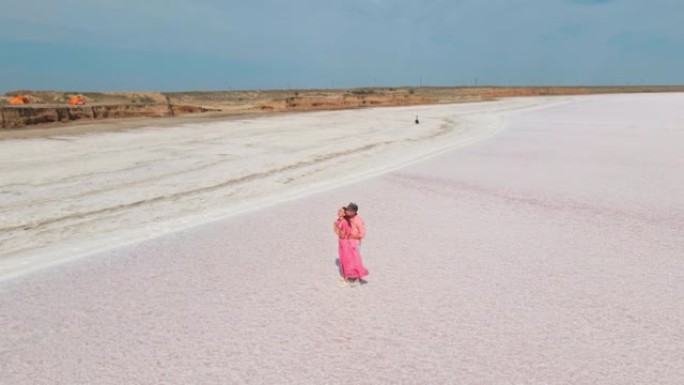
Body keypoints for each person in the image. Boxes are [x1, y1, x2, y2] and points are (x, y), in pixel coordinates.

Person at [333, 203, 368, 287]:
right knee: (346, 260)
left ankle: (358, 279)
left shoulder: (358, 220)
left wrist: (352, 235)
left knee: (356, 261)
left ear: (353, 212)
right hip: (346, 243)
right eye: (347, 210)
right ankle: (347, 278)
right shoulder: (346, 218)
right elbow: (340, 228)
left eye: (349, 210)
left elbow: (362, 234)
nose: (347, 211)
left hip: (355, 243)